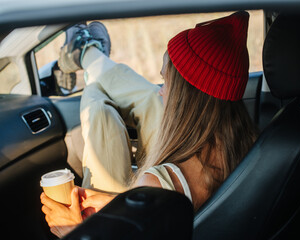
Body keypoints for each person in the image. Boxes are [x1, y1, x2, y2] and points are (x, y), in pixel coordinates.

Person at [40, 11, 258, 238]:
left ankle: (88, 57)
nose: (161, 91)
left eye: (165, 81)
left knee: (96, 104)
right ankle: (88, 58)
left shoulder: (157, 182)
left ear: (184, 98)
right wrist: (119, 203)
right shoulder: (252, 146)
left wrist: (75, 232)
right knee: (106, 102)